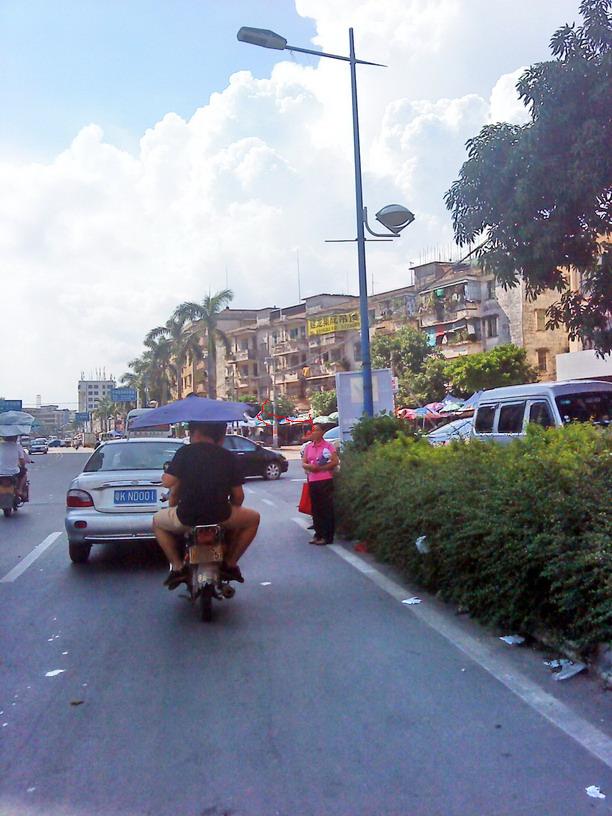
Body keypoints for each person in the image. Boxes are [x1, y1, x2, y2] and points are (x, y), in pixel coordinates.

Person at [152, 421, 260, 589]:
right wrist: (233, 508)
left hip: (186, 516)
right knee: (254, 518)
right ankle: (231, 563)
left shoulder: (185, 452)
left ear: (196, 432)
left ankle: (177, 567)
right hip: (221, 515)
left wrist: (168, 474)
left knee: (157, 522)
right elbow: (238, 496)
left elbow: (168, 483)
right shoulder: (227, 456)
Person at [302, 423, 339, 545]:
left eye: (317, 430)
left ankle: (327, 536)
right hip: (313, 480)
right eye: (313, 430)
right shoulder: (308, 447)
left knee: (326, 509)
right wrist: (310, 467)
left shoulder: (328, 446)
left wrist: (322, 468)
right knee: (316, 509)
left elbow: (335, 461)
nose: (315, 433)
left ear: (322, 432)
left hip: (325, 480)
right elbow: (304, 462)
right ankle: (318, 534)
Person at [0, 435, 28, 501]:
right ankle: (20, 490)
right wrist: (23, 467)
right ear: (15, 438)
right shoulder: (18, 446)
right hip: (14, 472)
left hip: (1, 472)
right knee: (25, 474)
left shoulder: (0, 446)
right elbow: (22, 461)